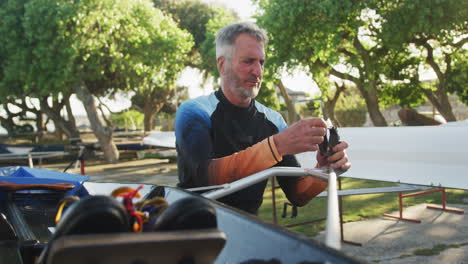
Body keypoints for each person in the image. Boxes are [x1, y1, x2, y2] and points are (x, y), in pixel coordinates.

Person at [175, 22, 351, 215]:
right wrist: (276, 146)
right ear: (222, 64)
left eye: (261, 62)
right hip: (195, 228)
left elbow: (297, 193)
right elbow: (206, 178)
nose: (258, 72)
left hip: (248, 230)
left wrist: (324, 170)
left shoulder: (273, 120)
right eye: (248, 61)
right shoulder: (193, 111)